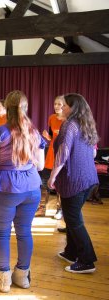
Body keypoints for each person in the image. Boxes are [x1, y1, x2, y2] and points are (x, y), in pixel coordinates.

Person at [0, 91, 45, 293]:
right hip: (31, 187)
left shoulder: (0, 132)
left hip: (5, 187)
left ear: (7, 109)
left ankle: (4, 279)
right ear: (26, 109)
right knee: (24, 232)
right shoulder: (34, 132)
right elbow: (41, 165)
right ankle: (22, 277)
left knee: (2, 233)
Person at [48, 93, 99, 274]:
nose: (62, 108)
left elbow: (63, 153)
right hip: (89, 180)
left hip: (75, 181)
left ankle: (87, 260)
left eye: (65, 106)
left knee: (74, 219)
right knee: (72, 216)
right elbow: (92, 154)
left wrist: (52, 177)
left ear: (73, 108)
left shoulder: (69, 125)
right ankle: (71, 252)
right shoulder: (85, 125)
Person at [36, 95, 65, 218]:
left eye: (59, 104)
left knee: (60, 185)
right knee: (45, 182)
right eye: (55, 104)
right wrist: (48, 137)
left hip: (62, 154)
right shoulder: (51, 118)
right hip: (51, 153)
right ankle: (42, 209)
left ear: (65, 106)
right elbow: (52, 137)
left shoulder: (68, 120)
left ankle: (59, 210)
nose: (56, 106)